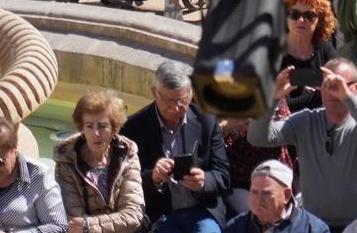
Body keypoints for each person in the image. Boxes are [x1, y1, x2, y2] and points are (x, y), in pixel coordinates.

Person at [249, 58, 357, 229]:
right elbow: (257, 137)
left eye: (337, 84)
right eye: (325, 84)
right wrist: (273, 97)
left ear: (356, 88)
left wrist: (348, 98)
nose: (331, 91)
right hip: (313, 225)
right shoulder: (306, 120)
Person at [123, 61, 232, 233]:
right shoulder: (133, 127)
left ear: (190, 94)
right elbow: (124, 182)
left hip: (202, 211)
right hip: (160, 214)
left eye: (182, 100)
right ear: (154, 93)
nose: (175, 108)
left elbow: (223, 175)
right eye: (168, 100)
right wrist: (153, 177)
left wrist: (205, 181)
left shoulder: (206, 121)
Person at [55, 91, 143, 233]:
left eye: (102, 126)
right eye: (89, 126)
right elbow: (74, 222)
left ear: (114, 128)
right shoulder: (66, 161)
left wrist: (88, 226)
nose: (96, 133)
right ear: (82, 127)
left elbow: (134, 215)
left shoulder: (127, 154)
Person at [226, 161, 330, 233]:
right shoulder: (235, 227)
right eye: (254, 192)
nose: (258, 199)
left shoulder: (314, 229)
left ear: (286, 195)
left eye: (267, 193)